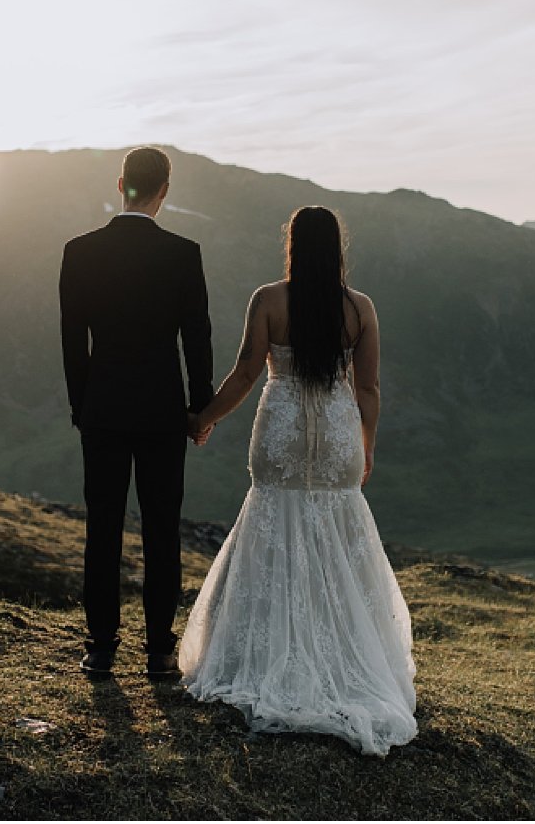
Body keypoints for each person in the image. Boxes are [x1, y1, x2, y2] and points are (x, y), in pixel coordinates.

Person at [179, 205, 416, 756]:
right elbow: (369, 388)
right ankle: (345, 658)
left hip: (281, 426)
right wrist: (366, 444)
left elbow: (243, 373)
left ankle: (267, 657)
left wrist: (203, 418)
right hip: (337, 431)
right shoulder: (360, 308)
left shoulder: (268, 300)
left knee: (273, 520)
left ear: (292, 245)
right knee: (337, 531)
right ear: (336, 248)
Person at [58, 146, 214, 679]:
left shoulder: (79, 252)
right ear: (164, 190)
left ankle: (100, 646)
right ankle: (159, 650)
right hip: (162, 411)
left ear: (121, 182)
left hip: (102, 407)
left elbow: (72, 342)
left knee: (102, 527)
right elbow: (197, 339)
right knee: (161, 528)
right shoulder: (182, 253)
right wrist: (201, 409)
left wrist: (83, 405)